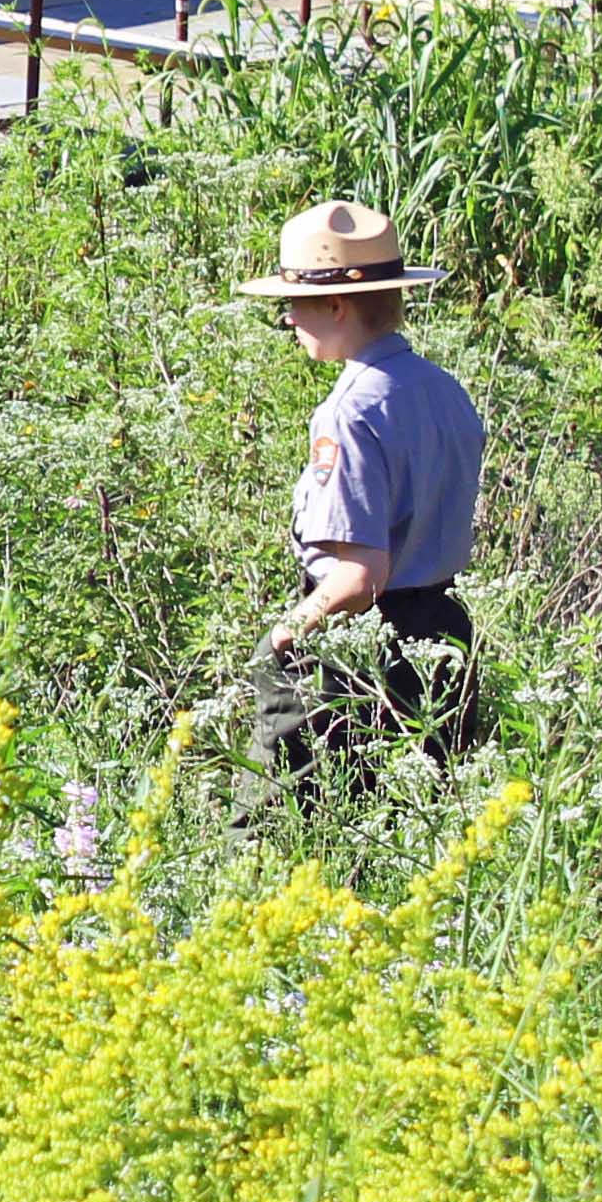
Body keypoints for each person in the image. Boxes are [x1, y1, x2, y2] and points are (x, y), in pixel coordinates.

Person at [237, 200, 489, 774]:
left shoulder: (350, 411)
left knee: (281, 828)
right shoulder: (443, 388)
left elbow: (359, 575)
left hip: (366, 650)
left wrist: (284, 635)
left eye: (295, 305)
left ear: (336, 304)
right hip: (446, 636)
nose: (288, 321)